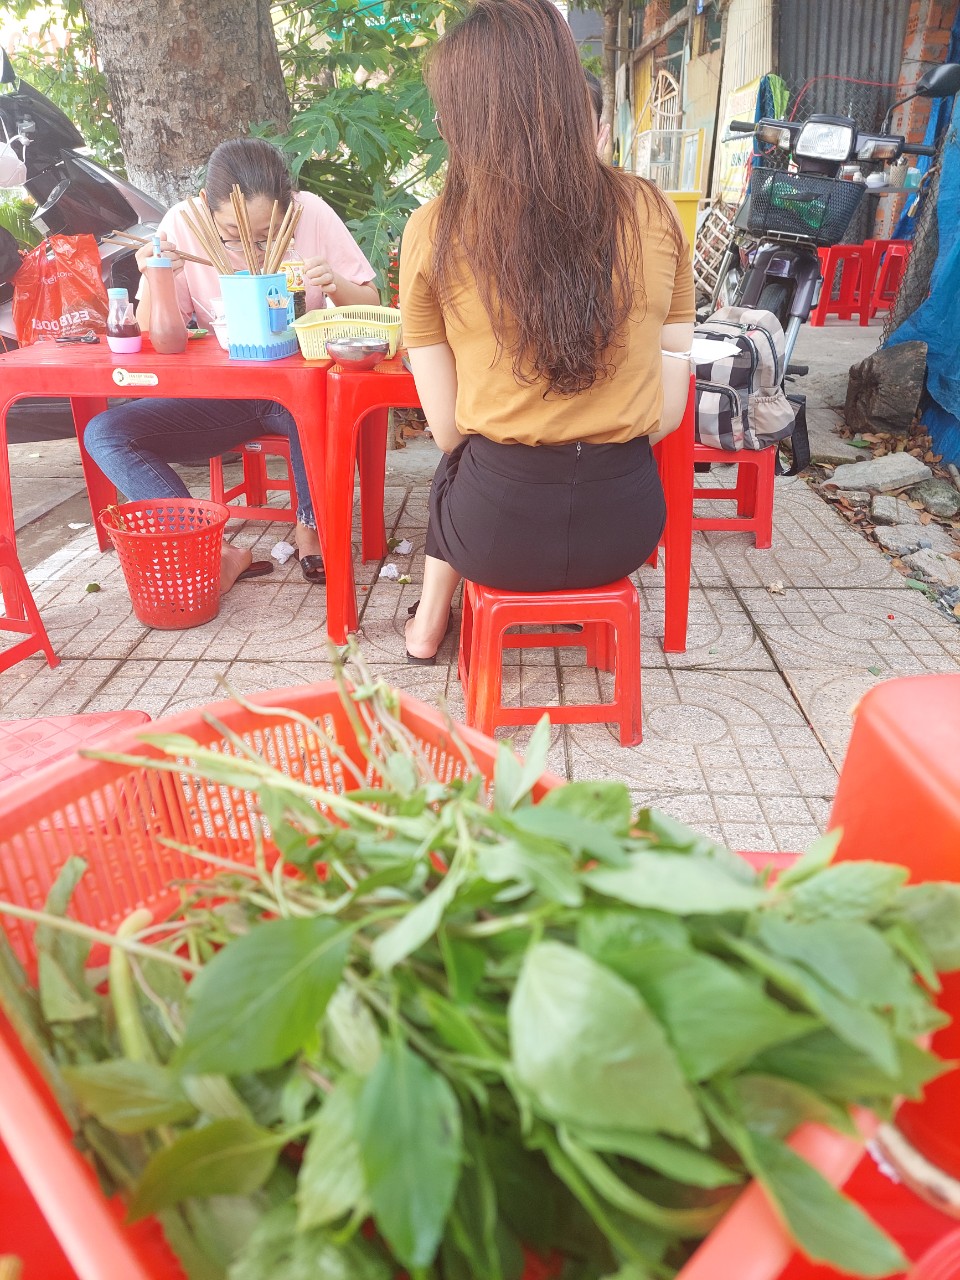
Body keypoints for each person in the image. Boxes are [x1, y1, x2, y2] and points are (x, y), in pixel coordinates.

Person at [399, 0, 695, 664]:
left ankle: (426, 625)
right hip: (626, 529)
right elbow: (670, 404)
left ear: (462, 121)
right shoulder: (653, 211)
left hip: (495, 535)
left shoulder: (435, 229)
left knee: (453, 469)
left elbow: (448, 433)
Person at [84, 137, 379, 592]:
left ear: (289, 207)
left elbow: (371, 305)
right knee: (105, 434)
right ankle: (208, 547)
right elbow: (154, 340)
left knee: (310, 406)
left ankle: (311, 527)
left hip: (303, 393)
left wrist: (334, 283)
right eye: (233, 235)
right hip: (224, 397)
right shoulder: (183, 223)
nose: (253, 249)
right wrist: (157, 276)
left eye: (268, 235)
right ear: (206, 204)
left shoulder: (313, 213)